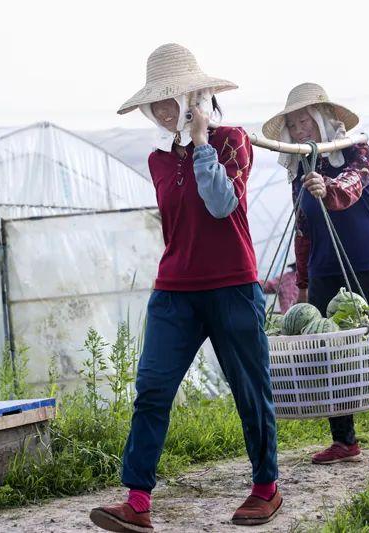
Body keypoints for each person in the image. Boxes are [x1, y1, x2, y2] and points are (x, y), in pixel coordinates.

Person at [89, 44, 281, 533]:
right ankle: (136, 500)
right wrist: (187, 147)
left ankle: (265, 488)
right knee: (152, 388)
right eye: (156, 104)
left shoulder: (234, 140)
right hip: (174, 289)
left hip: (232, 286)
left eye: (172, 100)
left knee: (250, 389)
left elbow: (220, 205)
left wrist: (201, 143)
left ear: (196, 97)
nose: (163, 111)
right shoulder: (156, 160)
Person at [260, 82, 369, 465]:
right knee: (328, 348)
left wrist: (326, 187)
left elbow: (351, 186)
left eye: (304, 119)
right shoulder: (299, 171)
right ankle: (345, 440)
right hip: (325, 268)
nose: (300, 129)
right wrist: (306, 284)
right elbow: (303, 229)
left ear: (322, 117)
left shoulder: (356, 149)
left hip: (367, 262)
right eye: (292, 124)